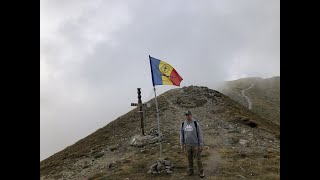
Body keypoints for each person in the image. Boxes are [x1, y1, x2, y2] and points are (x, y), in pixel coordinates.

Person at [180, 110, 205, 178]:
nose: (187, 116)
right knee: (189, 159)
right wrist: (182, 144)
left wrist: (201, 144)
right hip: (187, 145)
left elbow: (200, 134)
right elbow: (181, 135)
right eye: (186, 115)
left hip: (195, 145)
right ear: (185, 116)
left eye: (188, 115)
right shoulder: (183, 124)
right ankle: (191, 171)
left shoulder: (196, 123)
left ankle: (201, 171)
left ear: (191, 115)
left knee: (198, 159)